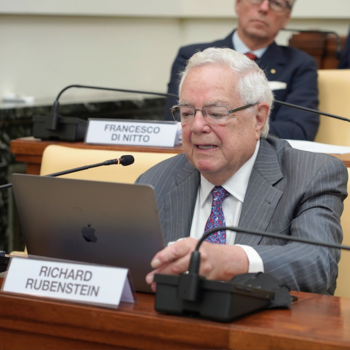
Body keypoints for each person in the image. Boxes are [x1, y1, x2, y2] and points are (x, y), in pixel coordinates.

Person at [137, 47, 347, 295]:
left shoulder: (310, 175)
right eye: (186, 113)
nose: (197, 126)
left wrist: (232, 261)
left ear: (258, 118)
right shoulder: (154, 181)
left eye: (216, 113)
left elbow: (317, 265)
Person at [164, 0, 320, 141]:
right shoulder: (193, 57)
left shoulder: (299, 64)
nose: (264, 8)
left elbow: (299, 130)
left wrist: (230, 131)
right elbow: (176, 120)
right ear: (237, 4)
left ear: (287, 17)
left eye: (276, 3)